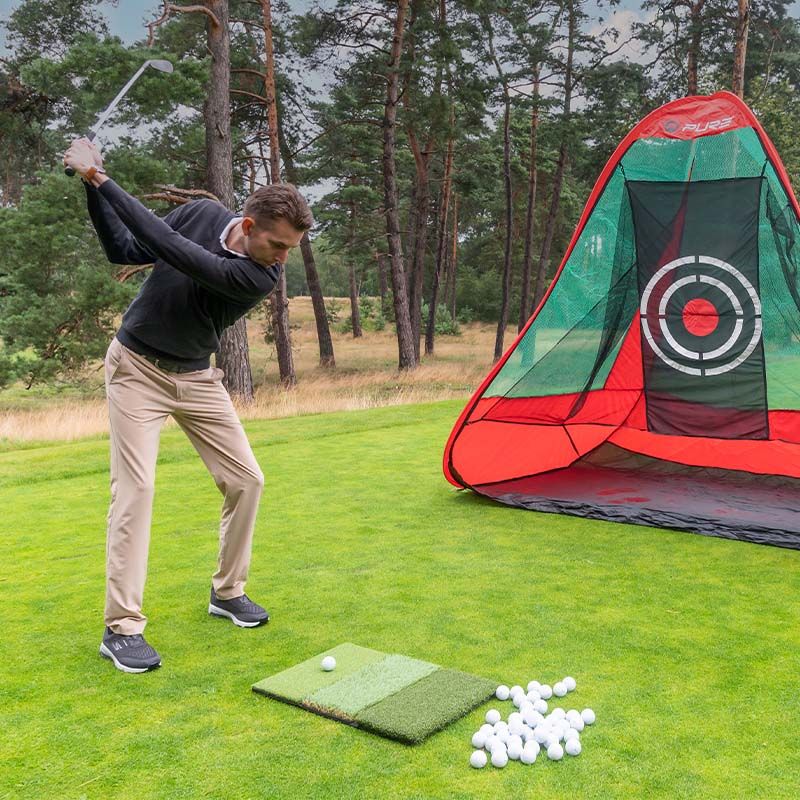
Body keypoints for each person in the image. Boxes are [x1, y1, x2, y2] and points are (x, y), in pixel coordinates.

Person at [63, 137, 313, 674]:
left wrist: (99, 178)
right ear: (249, 225)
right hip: (136, 369)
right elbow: (126, 248)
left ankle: (227, 592)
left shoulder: (258, 277)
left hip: (198, 378)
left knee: (247, 480)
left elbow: (175, 250)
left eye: (290, 248)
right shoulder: (202, 213)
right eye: (278, 244)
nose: (283, 258)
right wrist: (92, 187)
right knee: (136, 491)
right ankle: (121, 628)